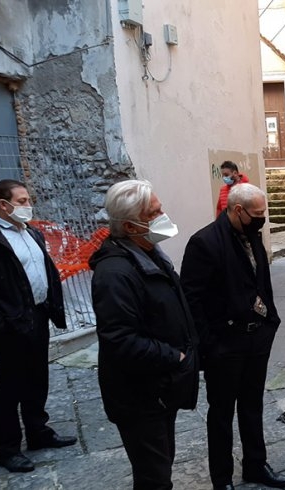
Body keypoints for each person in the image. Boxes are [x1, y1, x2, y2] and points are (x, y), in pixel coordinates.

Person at [89, 179, 199, 489]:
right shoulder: (115, 273)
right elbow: (120, 340)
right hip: (140, 394)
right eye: (154, 213)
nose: (163, 215)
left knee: (160, 466)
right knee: (155, 477)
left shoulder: (149, 253)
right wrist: (174, 356)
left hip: (161, 389)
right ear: (130, 225)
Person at [181, 183, 285, 490]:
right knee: (221, 413)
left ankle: (255, 465)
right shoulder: (204, 242)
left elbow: (261, 281)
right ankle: (222, 478)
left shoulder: (252, 236)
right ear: (238, 210)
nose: (262, 219)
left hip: (257, 339)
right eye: (257, 214)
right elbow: (191, 300)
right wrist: (209, 346)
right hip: (224, 344)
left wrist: (270, 319)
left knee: (252, 405)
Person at [0, 179, 77, 473]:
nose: (28, 206)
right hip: (10, 325)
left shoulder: (31, 232)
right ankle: (7, 448)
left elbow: (43, 270)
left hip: (36, 317)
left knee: (38, 378)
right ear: (4, 205)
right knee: (10, 387)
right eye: (22, 201)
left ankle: (39, 432)